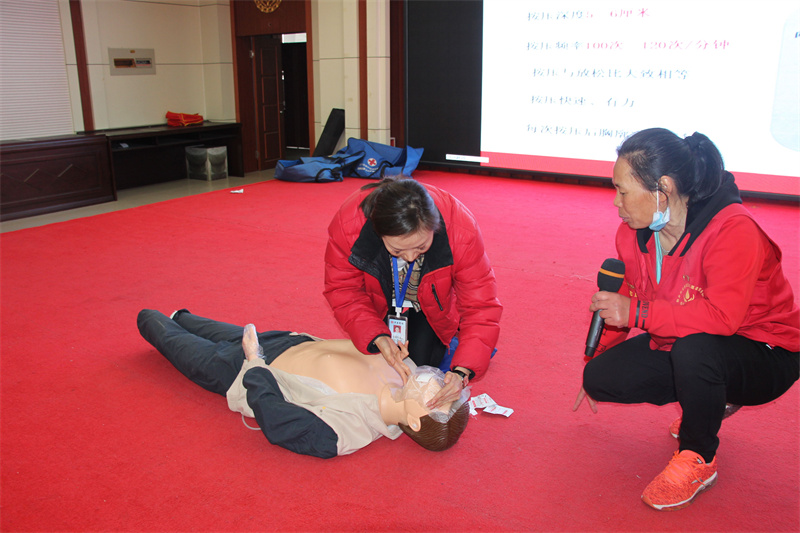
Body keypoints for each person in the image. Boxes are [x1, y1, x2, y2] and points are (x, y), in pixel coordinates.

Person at [572, 128, 799, 511]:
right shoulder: (631, 234)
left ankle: (698, 456)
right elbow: (625, 295)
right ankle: (708, 401)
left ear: (662, 189)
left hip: (766, 351)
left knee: (696, 350)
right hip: (689, 341)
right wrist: (602, 350)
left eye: (623, 191)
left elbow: (722, 318)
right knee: (600, 378)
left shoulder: (733, 229)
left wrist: (638, 313)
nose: (616, 202)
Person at [137, 309, 469, 459]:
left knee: (152, 321)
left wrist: (254, 362)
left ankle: (166, 322)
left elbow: (277, 421)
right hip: (284, 340)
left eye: (437, 398)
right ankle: (181, 317)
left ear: (414, 421)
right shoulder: (405, 369)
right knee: (187, 319)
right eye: (445, 388)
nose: (436, 384)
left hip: (240, 369)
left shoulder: (345, 431)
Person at [324, 176, 502, 410]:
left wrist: (462, 371)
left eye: (421, 247)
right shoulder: (349, 225)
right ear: (378, 233)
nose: (409, 257)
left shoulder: (460, 229)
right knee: (379, 370)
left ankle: (454, 338)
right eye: (397, 250)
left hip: (430, 304)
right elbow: (343, 289)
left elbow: (481, 305)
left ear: (435, 228)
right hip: (378, 299)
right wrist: (377, 336)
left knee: (418, 372)